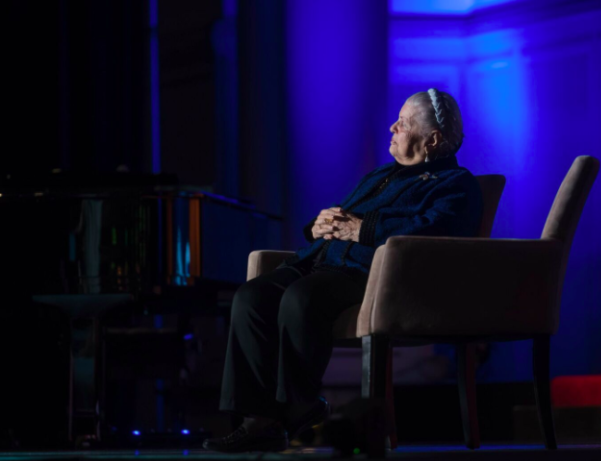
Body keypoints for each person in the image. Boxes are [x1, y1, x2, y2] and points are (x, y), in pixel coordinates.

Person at [203, 89, 483, 453]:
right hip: (319, 261)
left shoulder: (457, 185)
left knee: (301, 298)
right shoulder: (381, 175)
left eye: (405, 122)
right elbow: (343, 216)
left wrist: (362, 230)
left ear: (432, 139)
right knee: (251, 297)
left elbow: (432, 231)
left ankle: (296, 404)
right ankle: (259, 419)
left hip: (371, 276)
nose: (392, 126)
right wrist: (317, 226)